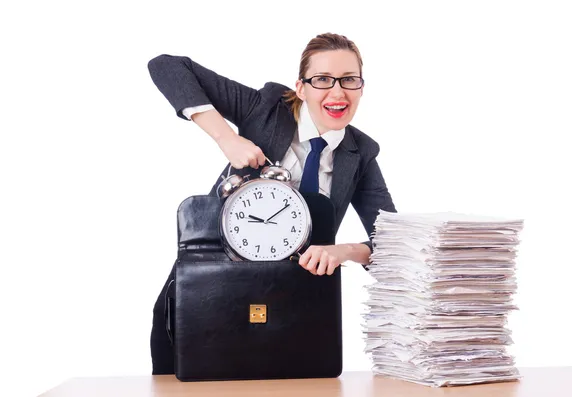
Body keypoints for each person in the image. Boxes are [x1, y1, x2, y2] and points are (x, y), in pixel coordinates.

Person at [147, 32, 397, 374]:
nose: (337, 92)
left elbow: (395, 244)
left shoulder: (360, 154)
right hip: (208, 297)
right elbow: (168, 66)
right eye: (323, 79)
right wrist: (227, 138)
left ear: (361, 87)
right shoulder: (264, 108)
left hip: (290, 312)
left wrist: (344, 252)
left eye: (349, 80)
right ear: (301, 87)